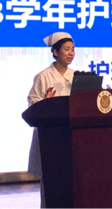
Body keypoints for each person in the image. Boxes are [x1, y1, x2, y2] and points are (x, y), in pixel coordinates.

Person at [27, 31, 76, 209]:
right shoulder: (43, 76)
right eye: (66, 49)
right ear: (55, 52)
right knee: (50, 183)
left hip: (72, 136)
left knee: (72, 182)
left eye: (73, 49)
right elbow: (32, 105)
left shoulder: (76, 76)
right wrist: (46, 103)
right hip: (50, 138)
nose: (71, 53)